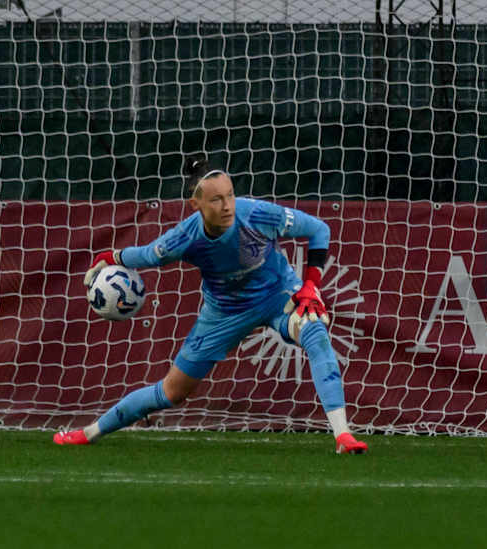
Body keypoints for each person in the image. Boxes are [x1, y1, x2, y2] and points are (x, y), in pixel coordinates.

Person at [54, 157, 370, 454]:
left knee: (315, 330)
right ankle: (90, 433)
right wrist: (109, 258)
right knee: (171, 393)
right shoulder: (186, 237)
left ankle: (342, 434)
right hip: (224, 313)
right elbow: (149, 255)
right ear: (197, 205)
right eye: (217, 199)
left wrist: (311, 284)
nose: (227, 205)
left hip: (277, 295)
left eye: (230, 195)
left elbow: (319, 230)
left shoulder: (257, 214)